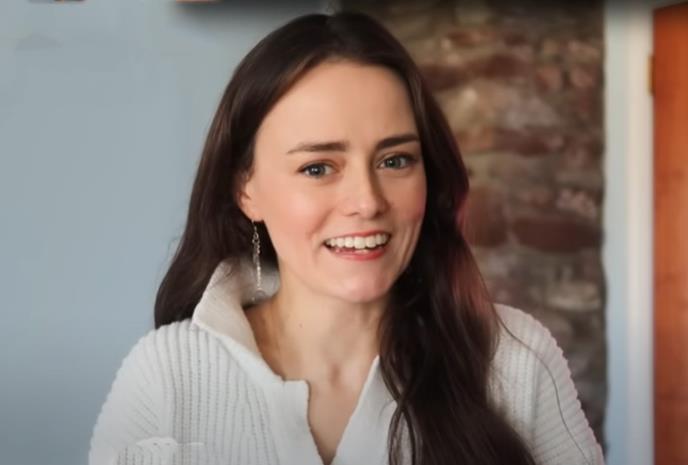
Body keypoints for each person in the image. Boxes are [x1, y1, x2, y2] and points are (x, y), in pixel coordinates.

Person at [88, 10, 605, 465]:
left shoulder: (516, 360)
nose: (367, 200)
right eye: (318, 168)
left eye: (395, 160)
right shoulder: (167, 379)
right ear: (246, 190)